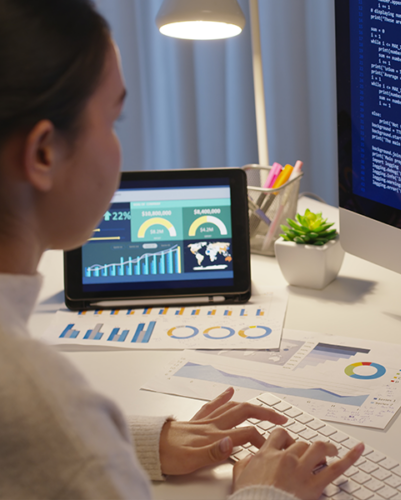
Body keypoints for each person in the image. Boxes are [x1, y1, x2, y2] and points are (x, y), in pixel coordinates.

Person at [0, 0, 364, 498]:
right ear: (44, 152)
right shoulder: (41, 405)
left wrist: (131, 440)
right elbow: (49, 439)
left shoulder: (48, 415)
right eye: (114, 120)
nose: (118, 143)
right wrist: (264, 491)